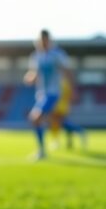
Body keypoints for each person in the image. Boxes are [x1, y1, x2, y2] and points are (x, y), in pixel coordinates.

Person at [23, 29, 75, 160]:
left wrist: (72, 90)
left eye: (45, 40)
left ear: (49, 40)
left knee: (35, 118)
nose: (43, 43)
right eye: (41, 40)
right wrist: (29, 78)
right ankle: (72, 132)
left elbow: (68, 71)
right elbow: (33, 74)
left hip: (53, 93)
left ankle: (42, 151)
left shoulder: (57, 54)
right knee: (53, 120)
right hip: (41, 94)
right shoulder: (35, 56)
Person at [49, 76, 86, 150]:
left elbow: (59, 94)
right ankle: (69, 141)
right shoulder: (66, 82)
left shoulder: (60, 83)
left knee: (57, 123)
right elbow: (71, 96)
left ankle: (79, 130)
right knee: (61, 123)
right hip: (64, 105)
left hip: (58, 105)